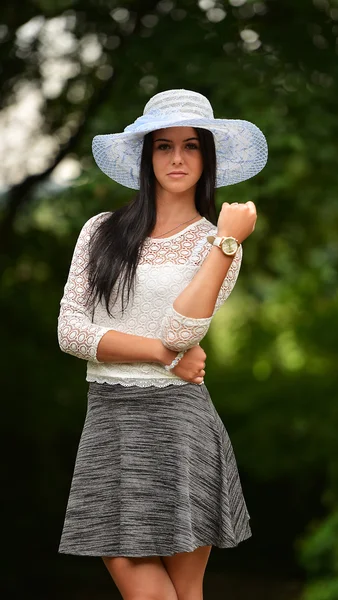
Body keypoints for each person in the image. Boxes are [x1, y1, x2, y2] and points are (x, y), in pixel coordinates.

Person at [57, 88, 268, 600]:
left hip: (179, 420)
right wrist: (160, 355)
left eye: (192, 145)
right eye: (164, 146)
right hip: (109, 415)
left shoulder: (217, 244)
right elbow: (70, 333)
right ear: (146, 156)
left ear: (208, 157)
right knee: (129, 569)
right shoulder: (101, 231)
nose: (177, 158)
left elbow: (182, 331)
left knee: (183, 588)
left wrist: (227, 239)